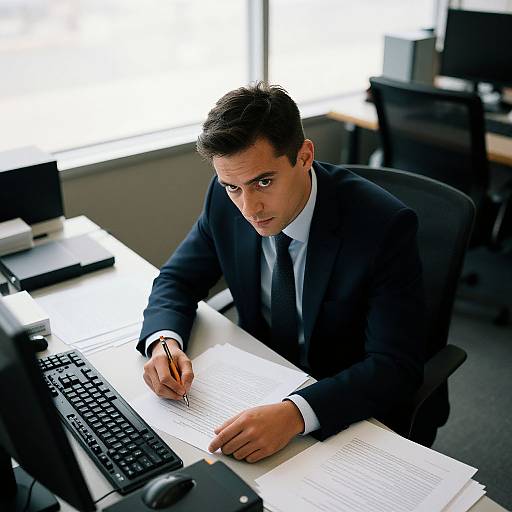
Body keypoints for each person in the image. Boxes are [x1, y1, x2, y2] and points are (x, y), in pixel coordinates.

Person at [137, 82, 427, 462]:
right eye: (233, 187)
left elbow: (394, 367)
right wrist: (164, 342)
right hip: (259, 378)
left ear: (305, 156)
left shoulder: (383, 227)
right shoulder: (225, 198)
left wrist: (295, 414)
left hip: (341, 403)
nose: (249, 207)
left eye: (264, 181)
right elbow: (177, 278)